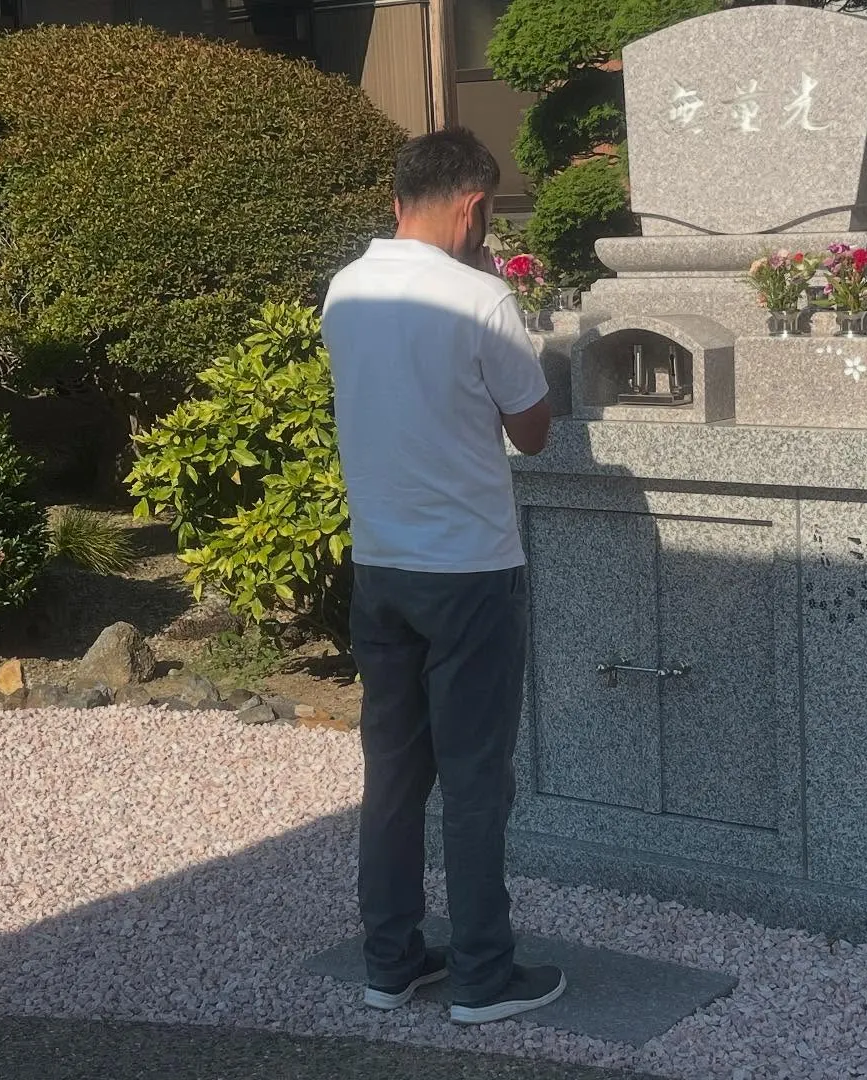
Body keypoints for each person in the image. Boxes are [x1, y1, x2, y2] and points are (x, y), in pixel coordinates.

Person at [320, 128, 563, 1026]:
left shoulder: (345, 290)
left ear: (395, 202)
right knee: (473, 779)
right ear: (474, 207)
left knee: (392, 774)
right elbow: (531, 430)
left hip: (380, 562)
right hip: (468, 569)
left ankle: (390, 962)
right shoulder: (480, 298)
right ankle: (481, 975)